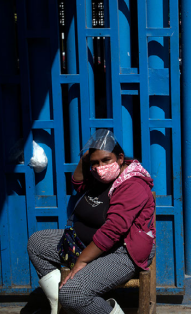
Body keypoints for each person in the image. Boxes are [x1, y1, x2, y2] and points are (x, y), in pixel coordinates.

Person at [27, 130, 155, 314]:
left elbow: (113, 230)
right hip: (85, 241)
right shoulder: (101, 178)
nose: (100, 167)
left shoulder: (132, 184)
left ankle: (73, 301)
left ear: (120, 158)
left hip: (124, 251)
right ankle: (60, 307)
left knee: (73, 293)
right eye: (95, 163)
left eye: (105, 160)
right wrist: (85, 159)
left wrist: (81, 261)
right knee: (37, 243)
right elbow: (78, 183)